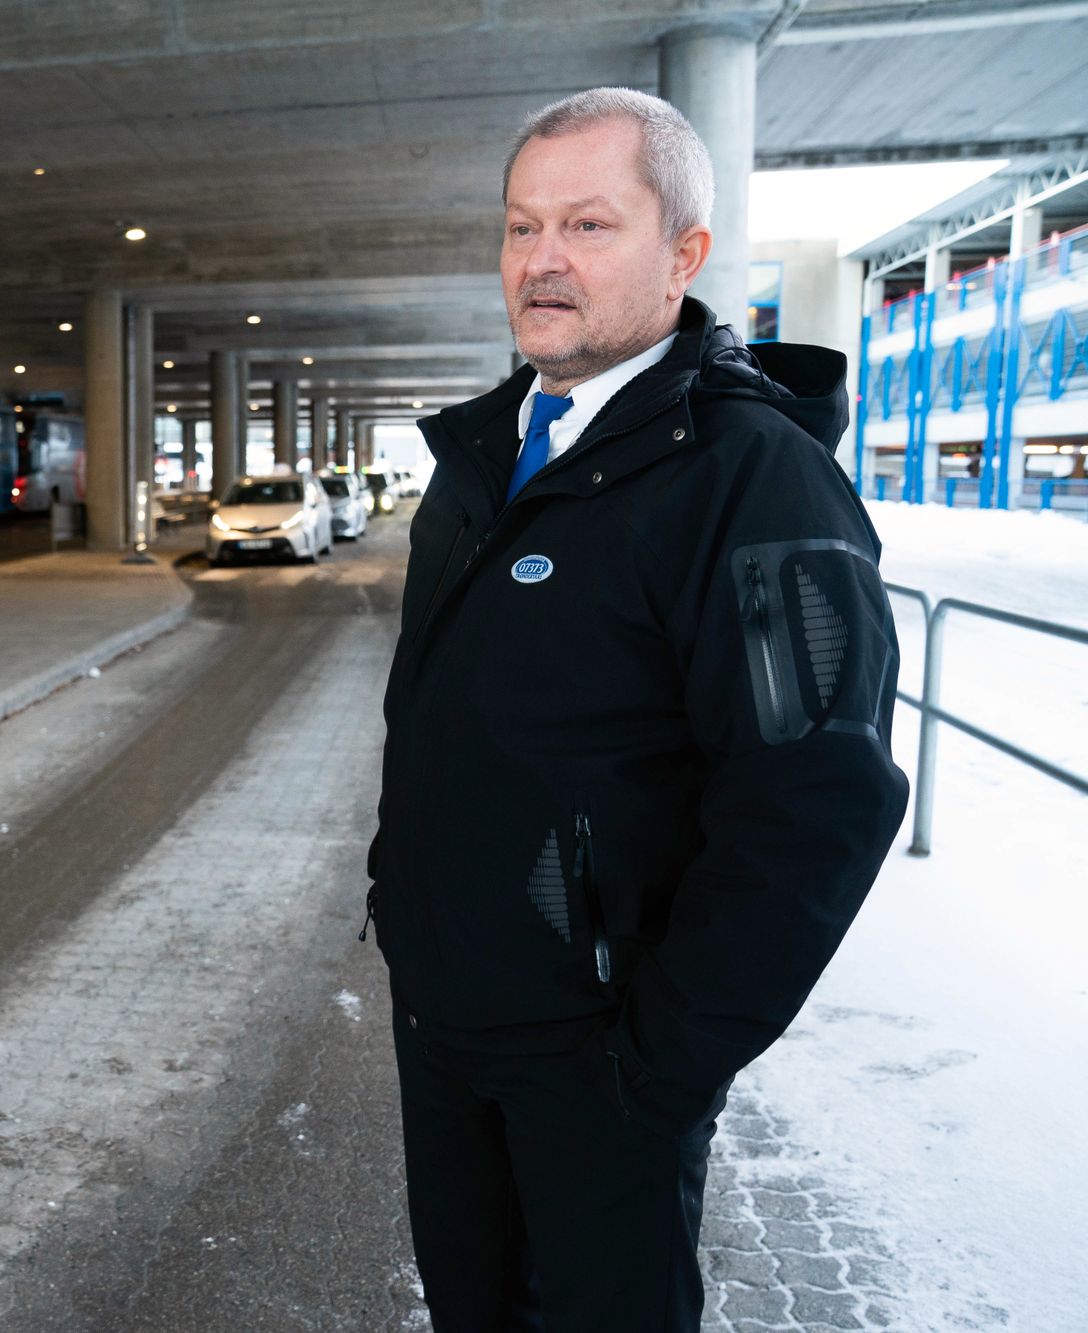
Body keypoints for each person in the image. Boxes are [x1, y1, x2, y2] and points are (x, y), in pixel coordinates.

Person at [362, 89, 908, 1331]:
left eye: (588, 225)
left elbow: (813, 804)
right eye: (519, 226)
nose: (540, 260)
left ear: (683, 255)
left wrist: (652, 1068)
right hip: (445, 1024)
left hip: (599, 1056)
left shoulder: (753, 481)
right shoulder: (484, 459)